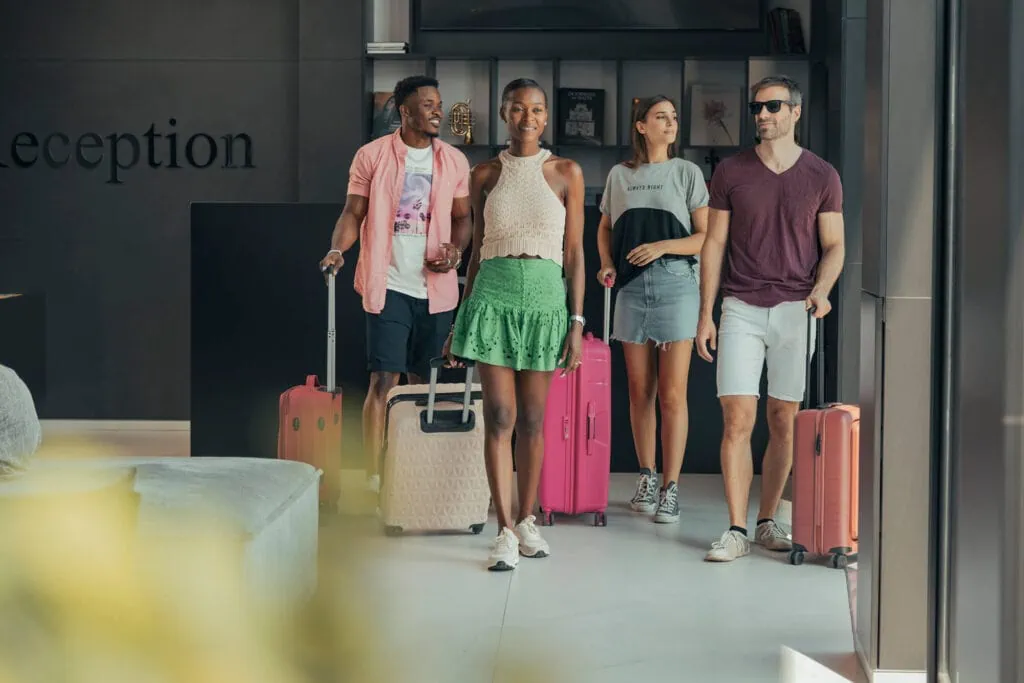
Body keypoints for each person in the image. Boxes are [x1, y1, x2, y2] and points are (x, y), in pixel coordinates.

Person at [696, 75, 845, 562]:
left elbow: (835, 246)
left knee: (784, 421)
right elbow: (713, 242)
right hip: (739, 305)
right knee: (737, 419)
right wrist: (706, 314)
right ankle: (736, 529)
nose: (761, 115)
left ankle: (766, 521)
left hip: (795, 309)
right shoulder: (731, 172)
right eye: (756, 107)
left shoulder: (822, 176)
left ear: (795, 113)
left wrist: (821, 291)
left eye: (772, 107)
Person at [443, 78, 585, 571]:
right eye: (519, 109)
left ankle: (527, 520)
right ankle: (503, 529)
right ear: (504, 113)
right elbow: (476, 250)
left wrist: (576, 321)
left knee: (531, 420)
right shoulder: (483, 174)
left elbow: (574, 253)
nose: (529, 117)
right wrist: (461, 318)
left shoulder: (566, 171)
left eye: (538, 110)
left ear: (546, 118)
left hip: (547, 303)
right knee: (500, 417)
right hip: (493, 300)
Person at [319, 75, 472, 493]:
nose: (437, 110)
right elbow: (353, 213)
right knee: (384, 381)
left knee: (424, 385)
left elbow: (463, 219)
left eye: (439, 103)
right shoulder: (371, 156)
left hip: (436, 291)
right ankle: (375, 474)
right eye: (427, 104)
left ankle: (416, 470)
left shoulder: (454, 162)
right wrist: (338, 250)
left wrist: (456, 253)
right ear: (405, 111)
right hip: (388, 286)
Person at [596, 95, 709, 524]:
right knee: (638, 391)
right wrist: (607, 263)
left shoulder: (686, 173)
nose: (671, 123)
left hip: (677, 284)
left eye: (675, 117)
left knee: (672, 393)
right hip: (629, 287)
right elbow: (605, 227)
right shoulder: (620, 175)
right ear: (640, 126)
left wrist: (662, 246)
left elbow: (706, 237)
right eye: (662, 117)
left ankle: (671, 487)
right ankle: (646, 474)